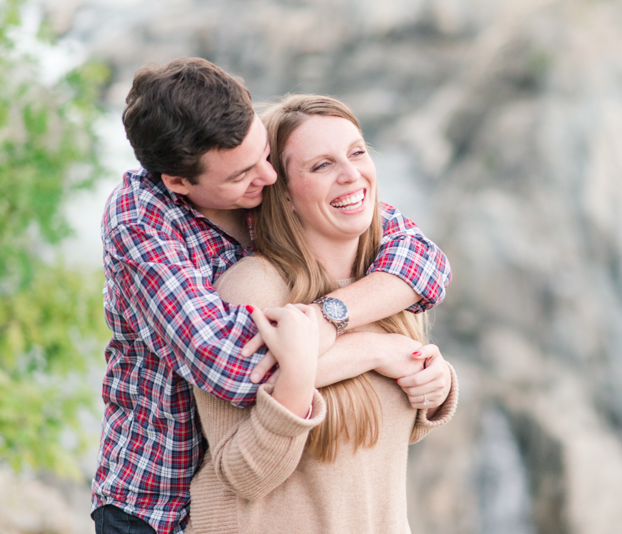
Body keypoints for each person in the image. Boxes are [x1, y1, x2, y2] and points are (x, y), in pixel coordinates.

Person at [92, 58, 452, 534]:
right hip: (155, 503)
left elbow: (423, 261)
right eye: (242, 174)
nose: (267, 177)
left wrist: (426, 376)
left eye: (265, 153)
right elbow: (232, 363)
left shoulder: (276, 193)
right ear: (179, 182)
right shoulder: (143, 225)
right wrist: (377, 348)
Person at [185, 94, 458, 534]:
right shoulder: (253, 289)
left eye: (357, 152)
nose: (351, 175)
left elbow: (366, 446)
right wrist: (373, 349)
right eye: (321, 165)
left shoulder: (384, 280)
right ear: (286, 195)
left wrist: (435, 383)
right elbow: (245, 474)